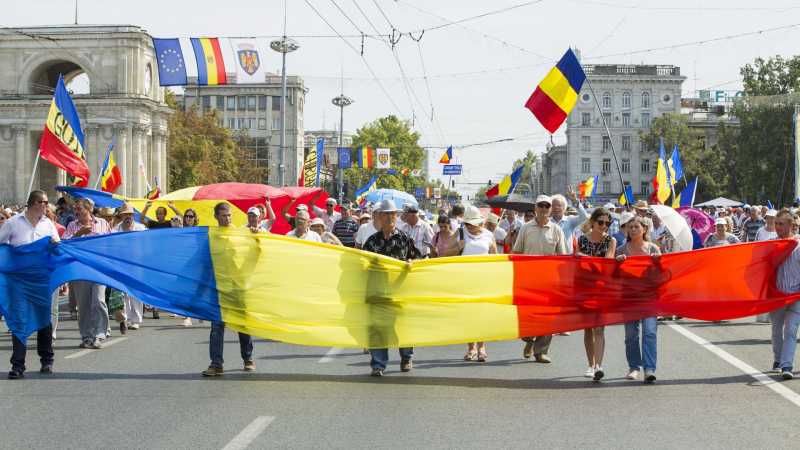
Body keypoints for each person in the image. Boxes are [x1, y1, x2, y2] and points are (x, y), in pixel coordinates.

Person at [0, 191, 60, 379]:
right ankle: (18, 365)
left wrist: (52, 245)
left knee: (44, 318)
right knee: (18, 319)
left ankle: (46, 360)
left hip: (40, 279)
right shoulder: (13, 222)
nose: (48, 206)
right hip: (18, 280)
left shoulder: (48, 224)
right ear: (35, 204)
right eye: (45, 202)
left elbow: (58, 250)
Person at [362, 199, 422, 376]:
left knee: (402, 327)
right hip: (378, 291)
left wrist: (412, 262)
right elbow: (363, 265)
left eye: (393, 214)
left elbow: (417, 257)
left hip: (400, 291)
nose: (390, 217)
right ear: (379, 216)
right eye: (386, 213)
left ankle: (406, 357)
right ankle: (378, 365)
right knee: (378, 328)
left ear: (397, 217)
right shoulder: (372, 241)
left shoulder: (404, 238)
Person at [511, 195, 568, 363]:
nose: (544, 208)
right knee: (528, 315)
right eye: (541, 205)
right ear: (535, 208)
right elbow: (516, 252)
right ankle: (529, 340)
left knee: (547, 317)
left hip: (549, 281)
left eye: (547, 206)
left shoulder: (557, 230)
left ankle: (541, 351)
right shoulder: (526, 228)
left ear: (551, 209)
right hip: (528, 279)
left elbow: (563, 256)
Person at [202, 202, 256, 376]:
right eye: (224, 215)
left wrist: (255, 238)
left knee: (242, 323)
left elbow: (254, 255)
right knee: (217, 325)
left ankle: (248, 358)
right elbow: (205, 264)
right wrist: (200, 290)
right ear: (216, 216)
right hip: (217, 286)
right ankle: (216, 364)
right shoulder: (211, 236)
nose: (227, 218)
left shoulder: (240, 234)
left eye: (230, 215)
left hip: (237, 286)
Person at [445, 205, 496, 362]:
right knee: (468, 314)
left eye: (471, 224)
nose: (468, 227)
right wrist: (457, 248)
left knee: (482, 314)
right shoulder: (460, 233)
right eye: (466, 223)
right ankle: (471, 348)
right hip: (465, 280)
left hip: (483, 280)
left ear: (480, 222)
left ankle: (482, 347)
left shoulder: (488, 235)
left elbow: (495, 257)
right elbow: (446, 253)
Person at [63, 197, 114, 349]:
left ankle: (99, 335)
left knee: (98, 301)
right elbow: (63, 243)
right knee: (83, 304)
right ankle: (86, 336)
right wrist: (79, 233)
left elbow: (112, 242)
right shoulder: (73, 225)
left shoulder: (102, 223)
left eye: (79, 209)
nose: (76, 212)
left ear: (88, 209)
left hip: (98, 269)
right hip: (80, 269)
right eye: (75, 209)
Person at [615, 216, 662, 383]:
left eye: (636, 227)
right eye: (630, 227)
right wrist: (618, 263)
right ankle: (634, 367)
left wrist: (658, 262)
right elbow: (615, 277)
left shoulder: (653, 248)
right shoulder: (621, 249)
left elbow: (660, 275)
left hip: (648, 297)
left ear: (645, 229)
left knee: (649, 332)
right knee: (631, 335)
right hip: (629, 298)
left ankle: (649, 369)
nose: (633, 229)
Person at [574, 208, 617, 381]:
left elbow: (607, 263)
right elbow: (577, 264)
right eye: (601, 222)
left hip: (602, 289)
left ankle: (599, 366)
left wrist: (585, 257)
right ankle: (590, 365)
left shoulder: (610, 240)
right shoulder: (582, 240)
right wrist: (581, 257)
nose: (604, 226)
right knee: (588, 329)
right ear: (593, 221)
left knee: (600, 328)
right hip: (585, 287)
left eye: (607, 223)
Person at [112, 202, 147, 331]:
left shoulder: (140, 229)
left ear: (133, 216)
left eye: (130, 214)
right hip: (120, 265)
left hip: (137, 264)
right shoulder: (115, 231)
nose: (128, 216)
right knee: (123, 293)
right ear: (121, 216)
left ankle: (136, 320)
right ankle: (125, 319)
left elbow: (147, 245)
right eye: (125, 214)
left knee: (136, 292)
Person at [550, 186, 588, 253]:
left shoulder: (570, 220)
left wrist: (575, 201)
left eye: (559, 205)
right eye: (553, 205)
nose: (556, 208)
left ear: (564, 207)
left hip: (566, 259)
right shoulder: (547, 221)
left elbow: (584, 217)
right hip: (551, 258)